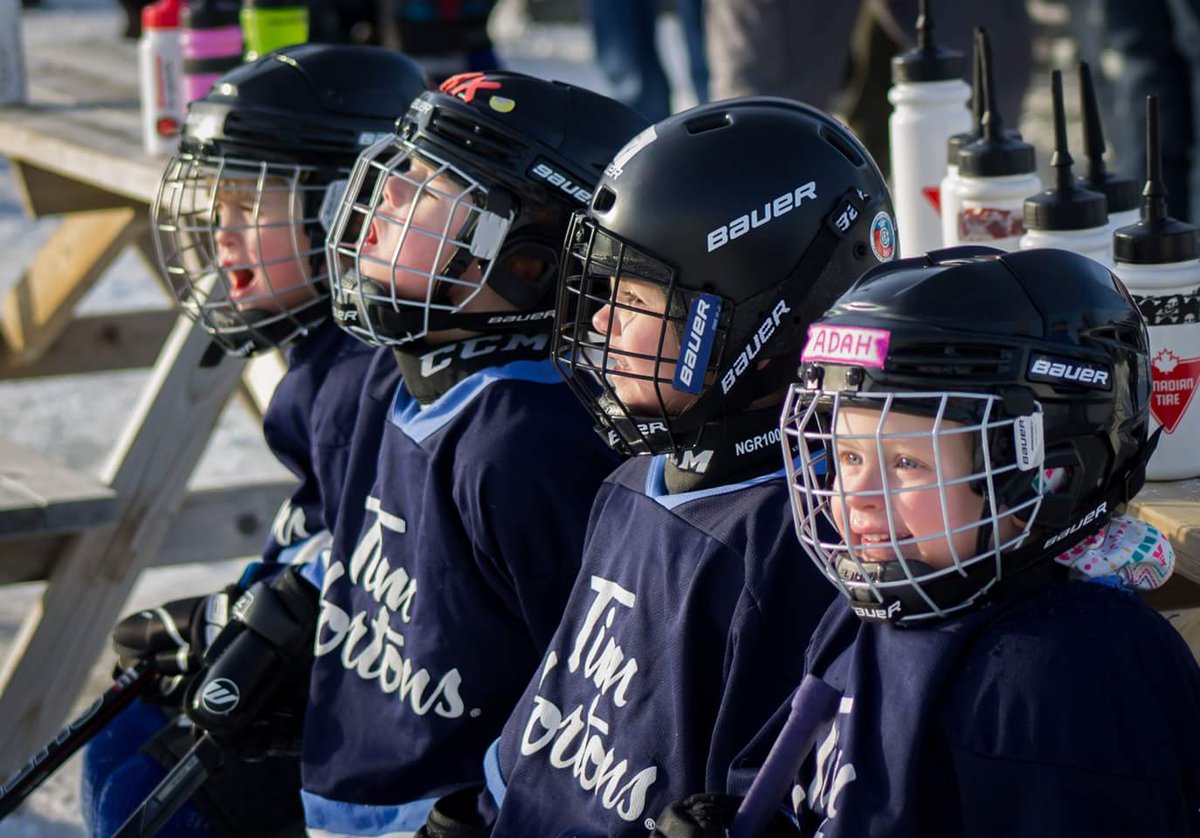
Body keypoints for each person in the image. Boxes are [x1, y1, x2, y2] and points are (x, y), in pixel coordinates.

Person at [425, 96, 896, 837]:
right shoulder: (631, 480)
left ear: (750, 322)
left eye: (634, 296)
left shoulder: (795, 543)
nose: (599, 321)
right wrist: (479, 813)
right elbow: (555, 718)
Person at [667, 247, 1200, 836]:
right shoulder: (871, 610)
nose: (855, 495)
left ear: (1048, 472)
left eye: (905, 463)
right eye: (847, 456)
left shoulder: (1062, 677)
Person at [80, 44, 428, 837]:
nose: (220, 236)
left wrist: (248, 621)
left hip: (383, 722)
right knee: (123, 741)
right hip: (327, 668)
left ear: (347, 209)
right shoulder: (329, 351)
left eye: (248, 207)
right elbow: (318, 532)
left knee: (150, 796)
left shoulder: (379, 373)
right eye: (216, 208)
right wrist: (237, 608)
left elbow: (387, 574)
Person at [295, 70, 649, 836]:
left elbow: (586, 698)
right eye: (403, 167)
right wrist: (286, 600)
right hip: (342, 787)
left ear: (527, 261)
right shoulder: (387, 373)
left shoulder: (527, 445)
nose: (388, 191)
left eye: (432, 184)